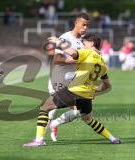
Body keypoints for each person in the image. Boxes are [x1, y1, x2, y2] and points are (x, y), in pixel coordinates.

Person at [23, 34, 121, 148]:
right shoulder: (102, 63)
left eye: (84, 44)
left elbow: (73, 53)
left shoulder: (88, 52)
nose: (83, 46)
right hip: (87, 96)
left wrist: (58, 41)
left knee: (45, 107)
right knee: (88, 119)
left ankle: (39, 140)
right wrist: (95, 89)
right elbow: (107, 85)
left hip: (74, 90)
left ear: (92, 44)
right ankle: (112, 138)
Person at [47, 13, 90, 142]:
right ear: (76, 23)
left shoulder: (83, 41)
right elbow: (57, 59)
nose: (85, 28)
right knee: (51, 108)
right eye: (83, 24)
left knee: (79, 112)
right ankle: (39, 138)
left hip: (73, 81)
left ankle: (54, 124)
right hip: (59, 79)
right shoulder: (65, 38)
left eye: (87, 25)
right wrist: (77, 61)